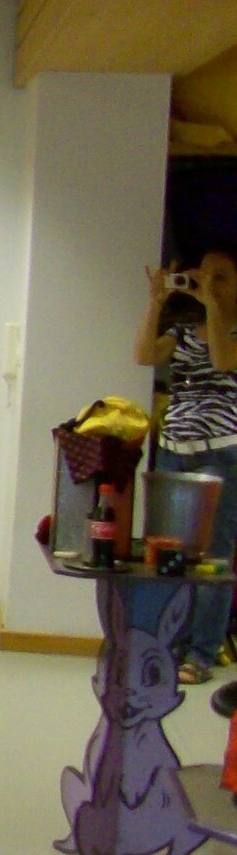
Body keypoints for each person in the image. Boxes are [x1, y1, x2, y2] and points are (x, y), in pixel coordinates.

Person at [136, 253, 237, 686]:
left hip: (221, 451)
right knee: (169, 552)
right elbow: (143, 355)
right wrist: (156, 302)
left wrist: (213, 307)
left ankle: (201, 651)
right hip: (174, 447)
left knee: (213, 556)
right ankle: (169, 644)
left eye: (223, 277)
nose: (210, 282)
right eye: (204, 274)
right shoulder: (179, 333)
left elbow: (223, 361)